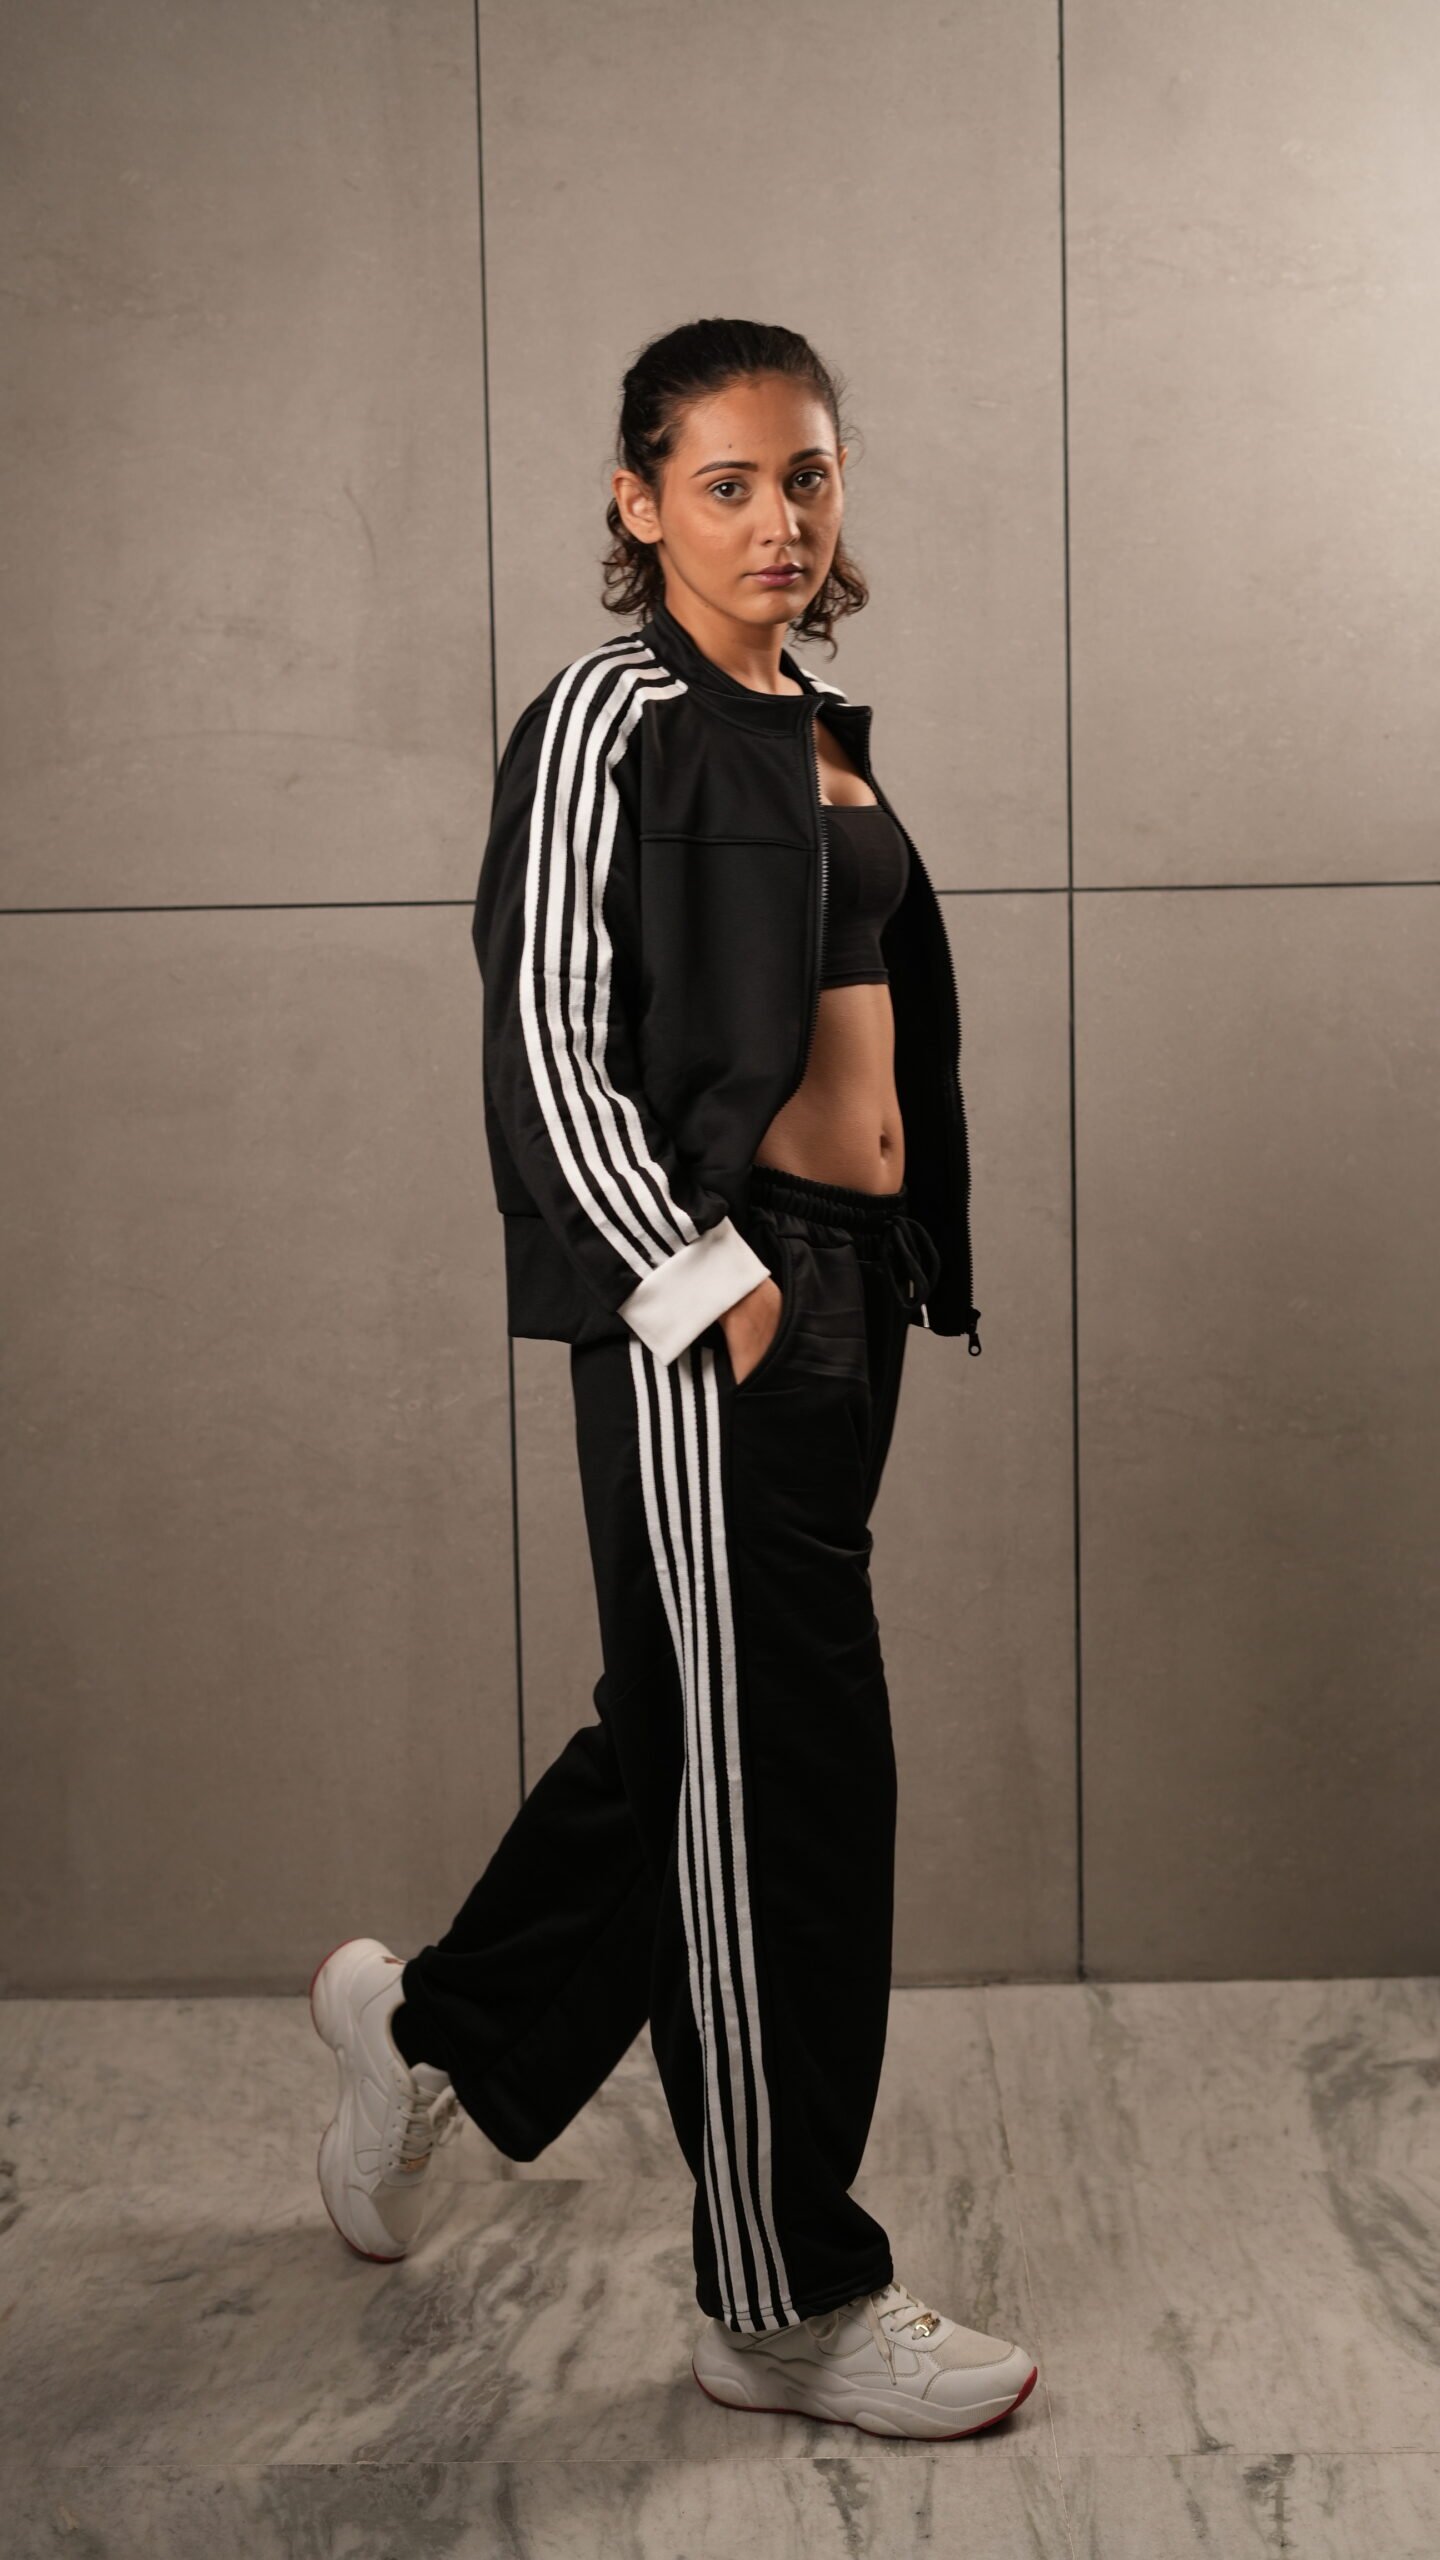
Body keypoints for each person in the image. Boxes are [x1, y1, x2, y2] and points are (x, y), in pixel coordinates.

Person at [309, 318, 1037, 2443]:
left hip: (845, 1295)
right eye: (726, 482)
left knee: (692, 1742)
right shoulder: (605, 715)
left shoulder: (807, 719)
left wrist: (878, 1264)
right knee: (783, 1778)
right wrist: (696, 1278)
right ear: (640, 503)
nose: (776, 518)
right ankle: (781, 2296)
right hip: (720, 1304)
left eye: (806, 474)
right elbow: (544, 1029)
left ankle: (430, 2039)